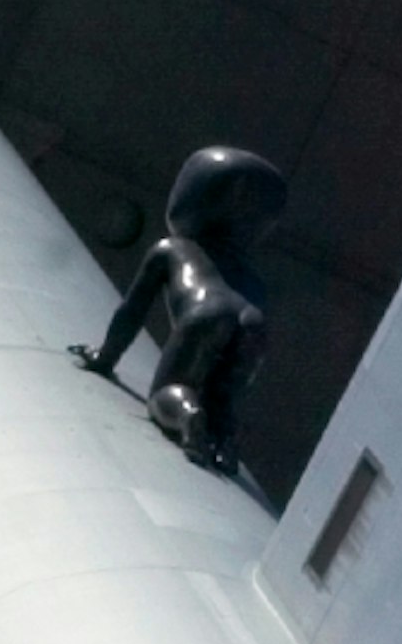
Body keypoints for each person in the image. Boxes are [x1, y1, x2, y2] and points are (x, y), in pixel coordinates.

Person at [74, 144, 286, 473]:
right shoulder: (252, 280)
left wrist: (104, 357)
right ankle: (225, 442)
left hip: (205, 313)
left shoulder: (172, 250)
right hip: (252, 321)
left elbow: (132, 312)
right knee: (222, 399)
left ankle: (188, 415)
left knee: (168, 390)